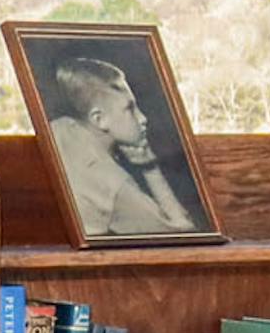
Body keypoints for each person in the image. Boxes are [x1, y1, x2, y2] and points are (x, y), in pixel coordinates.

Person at [48, 52, 199, 238]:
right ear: (99, 119)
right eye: (130, 108)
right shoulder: (115, 185)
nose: (143, 118)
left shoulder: (58, 128)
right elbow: (185, 235)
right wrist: (150, 168)